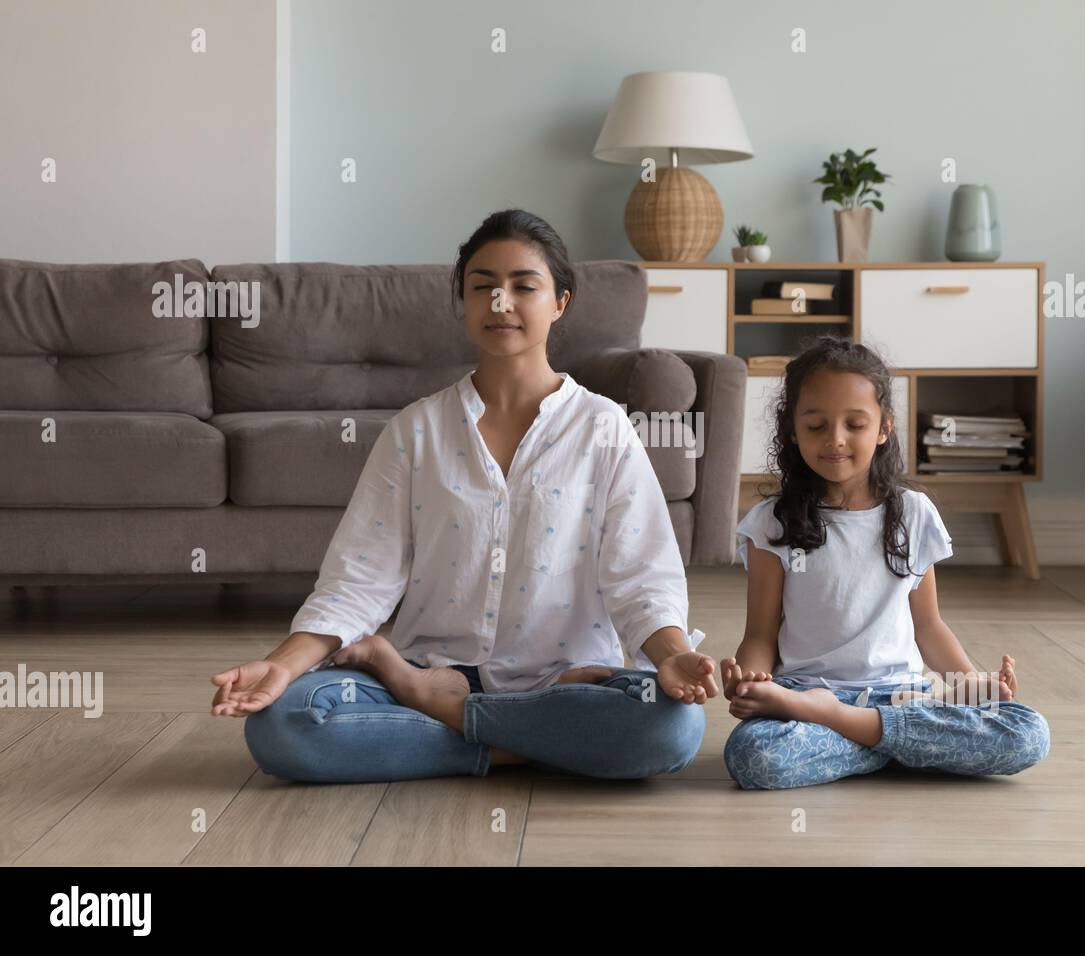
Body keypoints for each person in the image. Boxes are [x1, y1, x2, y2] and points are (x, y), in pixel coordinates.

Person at [210, 209, 718, 782]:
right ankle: (522, 740)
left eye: (524, 286)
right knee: (284, 725)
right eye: (483, 288)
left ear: (560, 303)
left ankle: (443, 715)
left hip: (568, 684)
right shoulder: (417, 430)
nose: (501, 303)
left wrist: (672, 657)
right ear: (463, 303)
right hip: (436, 666)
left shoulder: (603, 428)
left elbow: (641, 577)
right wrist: (280, 666)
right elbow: (359, 578)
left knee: (672, 728)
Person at [721, 335, 1051, 790]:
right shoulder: (770, 524)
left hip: (900, 696)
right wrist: (752, 680)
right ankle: (902, 745)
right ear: (792, 431)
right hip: (806, 694)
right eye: (816, 426)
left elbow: (929, 626)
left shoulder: (913, 513)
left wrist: (970, 683)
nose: (835, 440)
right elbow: (759, 633)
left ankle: (855, 730)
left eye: (854, 424)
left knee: (1028, 734)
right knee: (754, 756)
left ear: (883, 428)